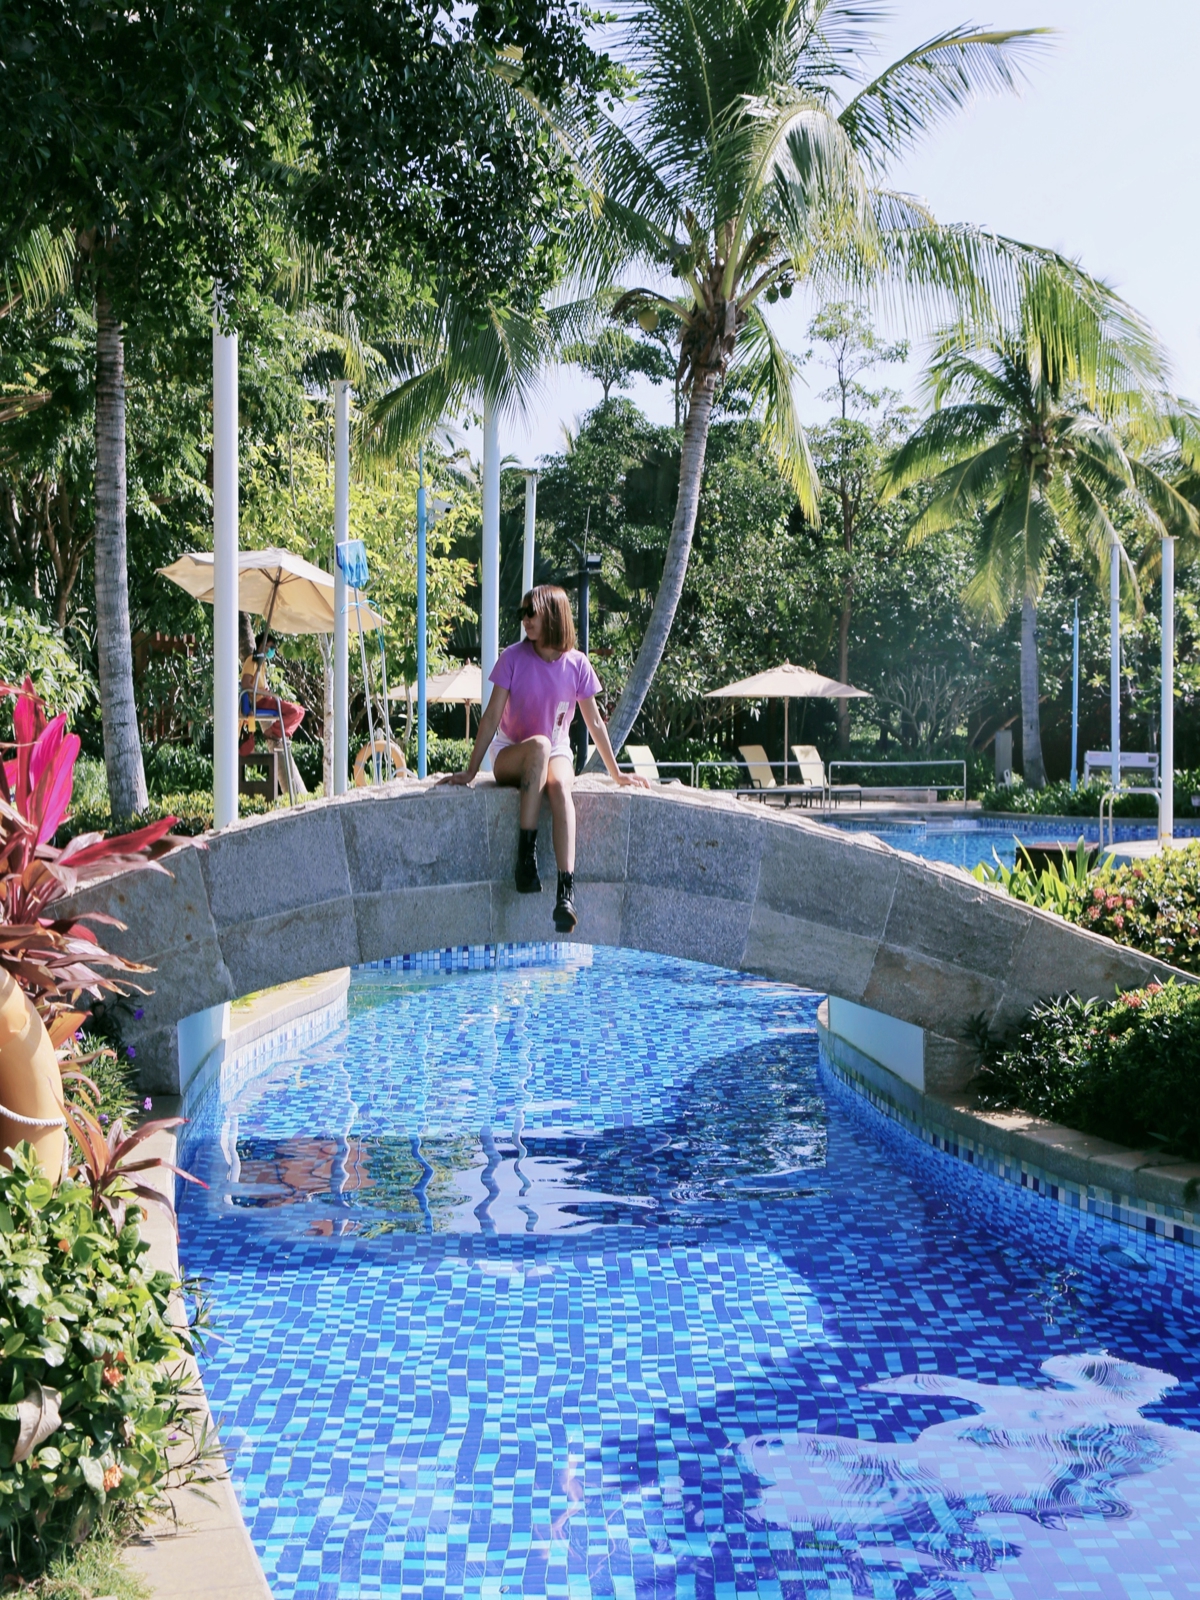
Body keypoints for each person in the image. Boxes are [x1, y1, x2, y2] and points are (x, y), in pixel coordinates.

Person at [440, 584, 649, 932]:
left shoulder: (577, 664)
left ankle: (565, 893)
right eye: (522, 613)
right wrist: (471, 771)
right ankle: (526, 859)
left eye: (530, 612)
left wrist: (618, 774)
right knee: (537, 744)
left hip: (557, 750)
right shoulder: (512, 657)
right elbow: (491, 717)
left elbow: (595, 722)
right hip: (511, 754)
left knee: (560, 787)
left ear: (552, 614)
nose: (524, 620)